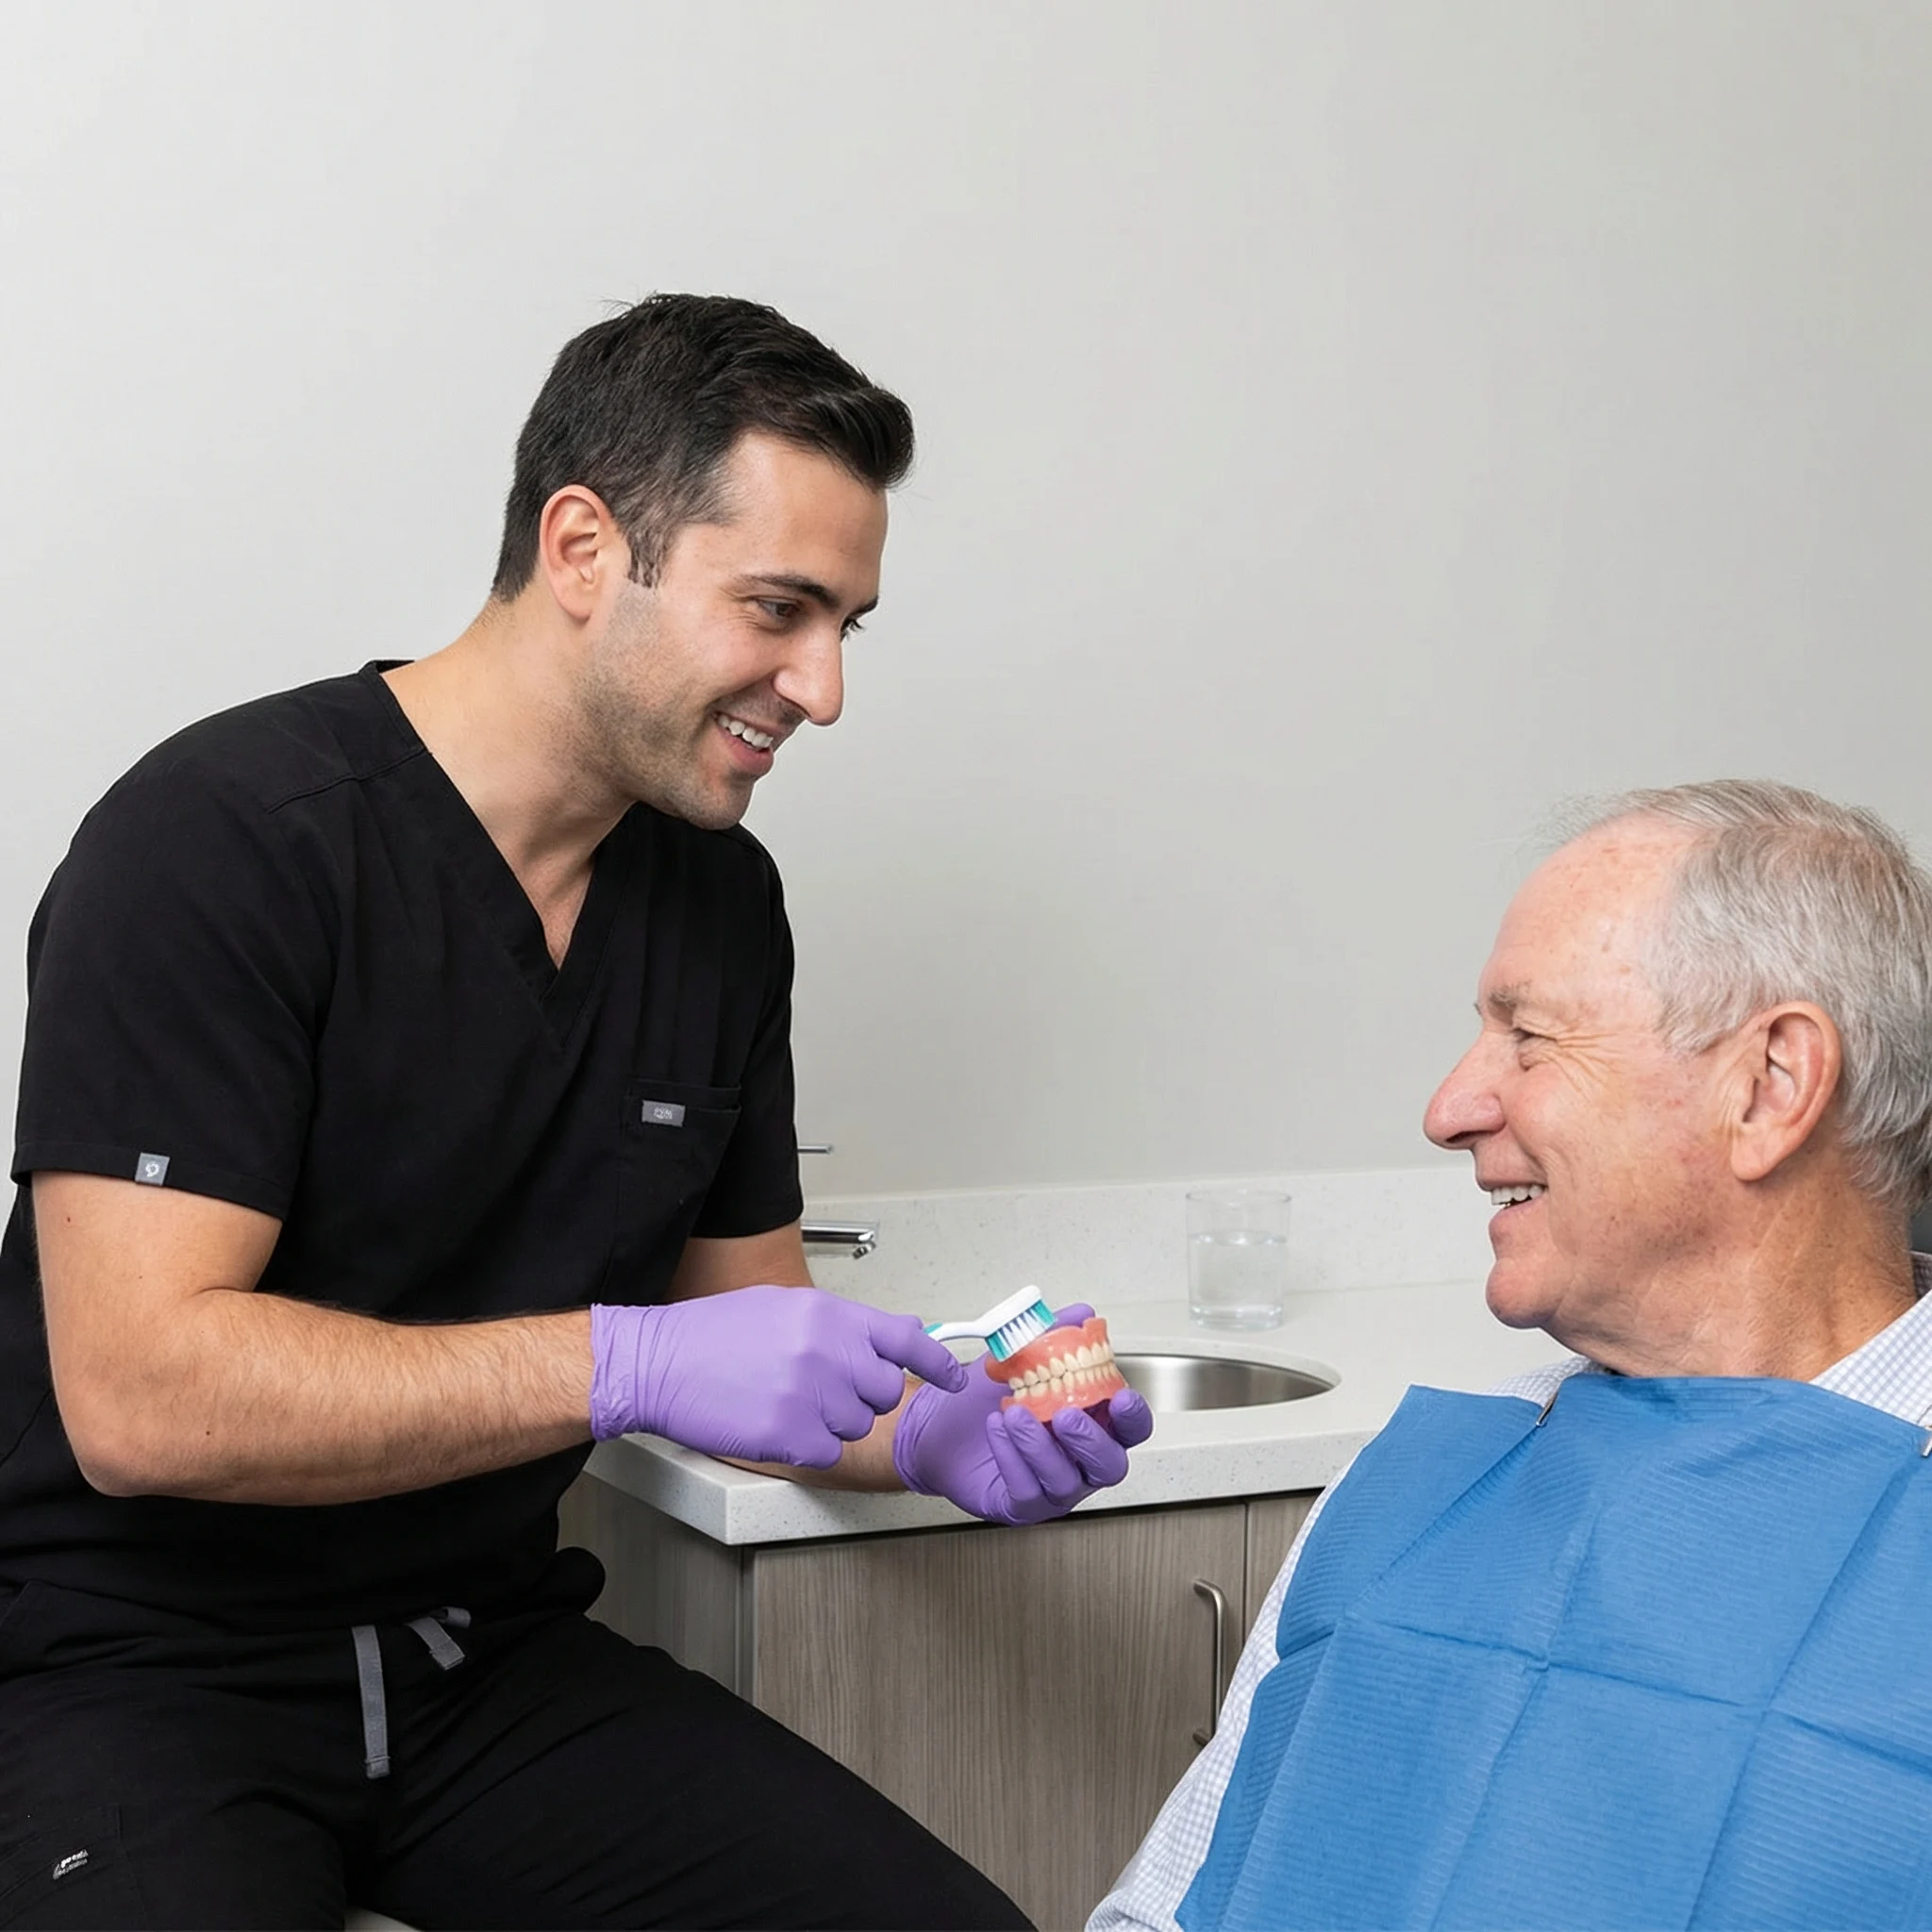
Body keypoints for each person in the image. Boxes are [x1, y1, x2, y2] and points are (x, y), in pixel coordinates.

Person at [0, 293, 1151, 1931]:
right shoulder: (224, 842)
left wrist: (941, 1431)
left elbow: (749, 1334)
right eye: (778, 608)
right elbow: (138, 1394)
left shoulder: (717, 904)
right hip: (133, 1674)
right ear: (584, 545)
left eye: (848, 626)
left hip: (484, 1662)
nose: (820, 688)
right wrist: (628, 1359)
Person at [1095, 779, 1932, 1932]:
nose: (1447, 1107)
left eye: (1527, 1037)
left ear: (1768, 1084)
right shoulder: (1417, 1491)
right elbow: (1163, 1909)